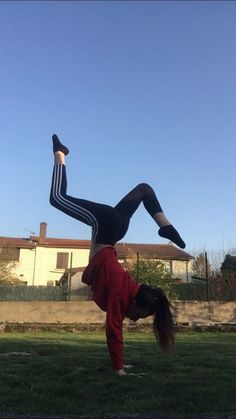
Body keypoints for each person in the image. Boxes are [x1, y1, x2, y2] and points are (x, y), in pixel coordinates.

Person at [50, 134, 186, 376]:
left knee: (144, 188)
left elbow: (121, 320)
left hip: (116, 227)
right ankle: (61, 155)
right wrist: (119, 369)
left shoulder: (128, 288)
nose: (134, 320)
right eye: (139, 315)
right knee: (57, 198)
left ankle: (165, 225)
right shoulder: (121, 294)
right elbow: (114, 330)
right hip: (107, 225)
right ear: (136, 302)